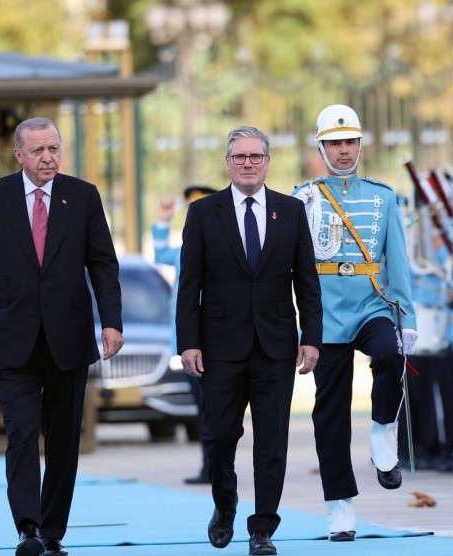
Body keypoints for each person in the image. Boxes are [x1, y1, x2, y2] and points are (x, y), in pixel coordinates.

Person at [0, 117, 123, 556]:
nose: (48, 158)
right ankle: (27, 528)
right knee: (22, 433)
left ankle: (52, 533)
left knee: (64, 438)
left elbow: (103, 263)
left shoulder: (83, 196)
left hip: (68, 337)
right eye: (38, 150)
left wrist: (111, 322)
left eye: (54, 149)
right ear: (19, 155)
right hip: (13, 338)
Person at [176, 126, 322, 556]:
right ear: (227, 163)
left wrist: (312, 337)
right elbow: (189, 284)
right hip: (219, 346)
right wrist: (188, 342)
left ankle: (263, 529)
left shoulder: (290, 211)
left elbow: (307, 281)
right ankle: (225, 505)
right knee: (220, 434)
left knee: (272, 440)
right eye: (239, 157)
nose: (247, 164)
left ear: (268, 162)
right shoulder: (204, 212)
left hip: (275, 346)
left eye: (255, 156)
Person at [293, 104, 414, 542]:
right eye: (334, 143)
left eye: (349, 142)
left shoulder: (383, 196)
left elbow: (397, 260)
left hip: (371, 304)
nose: (343, 150)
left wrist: (407, 316)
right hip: (323, 312)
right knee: (330, 414)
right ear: (321, 149)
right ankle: (339, 508)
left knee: (389, 354)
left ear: (360, 145)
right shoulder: (303, 197)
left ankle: (384, 433)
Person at [152, 184, 215, 484]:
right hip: (189, 344)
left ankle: (215, 465)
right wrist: (163, 220)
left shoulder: (222, 246)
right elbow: (161, 254)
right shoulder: (185, 250)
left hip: (216, 341)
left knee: (214, 408)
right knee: (202, 407)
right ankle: (209, 466)